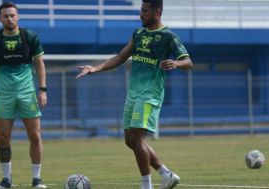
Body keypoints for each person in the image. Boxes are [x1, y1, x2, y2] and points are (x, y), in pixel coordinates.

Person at [76, 0, 193, 188]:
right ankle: (166, 174)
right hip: (133, 94)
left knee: (137, 139)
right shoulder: (138, 34)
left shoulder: (168, 36)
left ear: (158, 11)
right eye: (141, 10)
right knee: (130, 140)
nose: (141, 14)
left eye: (145, 11)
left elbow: (188, 62)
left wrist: (177, 63)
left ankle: (146, 185)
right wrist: (94, 68)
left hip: (149, 94)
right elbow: (121, 57)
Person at [0, 2, 47, 189]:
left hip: (27, 93)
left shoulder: (29, 36)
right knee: (3, 138)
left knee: (35, 137)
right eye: (5, 16)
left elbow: (39, 63)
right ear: (0, 19)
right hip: (4, 94)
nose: (10, 19)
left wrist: (43, 89)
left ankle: (37, 179)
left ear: (18, 16)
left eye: (12, 15)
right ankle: (6, 180)